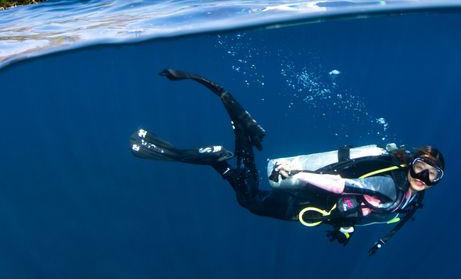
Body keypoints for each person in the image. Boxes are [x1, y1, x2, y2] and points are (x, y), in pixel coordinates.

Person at [129, 69, 445, 255]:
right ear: (410, 163)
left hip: (322, 206)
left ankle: (228, 150)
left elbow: (368, 210)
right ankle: (225, 151)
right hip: (310, 198)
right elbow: (343, 184)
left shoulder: (412, 199)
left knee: (252, 198)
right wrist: (299, 171)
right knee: (250, 200)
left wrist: (346, 227)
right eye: (420, 168)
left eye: (433, 176)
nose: (424, 178)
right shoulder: (392, 185)